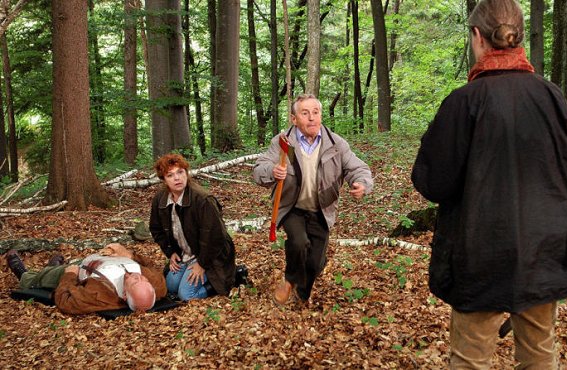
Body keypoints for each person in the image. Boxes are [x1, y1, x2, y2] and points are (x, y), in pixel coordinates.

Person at [411, 0, 567, 368]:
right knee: (540, 353)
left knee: (470, 359)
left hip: (481, 253)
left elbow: (432, 182)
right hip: (544, 250)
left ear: (478, 36)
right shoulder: (552, 97)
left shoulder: (464, 102)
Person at [253, 93, 374, 305]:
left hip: (322, 208)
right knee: (299, 243)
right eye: (305, 113)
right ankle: (290, 281)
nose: (311, 118)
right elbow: (258, 169)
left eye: (315, 113)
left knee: (316, 262)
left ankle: (302, 292)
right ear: (294, 119)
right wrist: (271, 171)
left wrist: (361, 183)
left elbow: (357, 168)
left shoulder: (335, 144)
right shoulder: (284, 144)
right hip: (292, 206)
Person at [149, 153, 237, 301]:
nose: (177, 178)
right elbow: (156, 228)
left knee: (186, 295)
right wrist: (170, 252)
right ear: (163, 180)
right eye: (170, 175)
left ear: (186, 173)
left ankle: (217, 284)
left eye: (180, 172)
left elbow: (216, 237)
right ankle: (193, 275)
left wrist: (202, 264)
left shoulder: (202, 200)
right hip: (185, 255)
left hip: (210, 256)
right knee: (170, 287)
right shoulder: (160, 199)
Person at [5, 243, 166, 315]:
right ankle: (51, 267)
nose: (139, 277)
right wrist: (129, 254)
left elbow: (65, 302)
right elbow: (150, 266)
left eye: (135, 282)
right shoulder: (157, 285)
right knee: (53, 270)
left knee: (39, 278)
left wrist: (70, 275)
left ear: (124, 294)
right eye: (144, 280)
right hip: (101, 259)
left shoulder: (101, 295)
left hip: (80, 270)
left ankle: (23, 274)